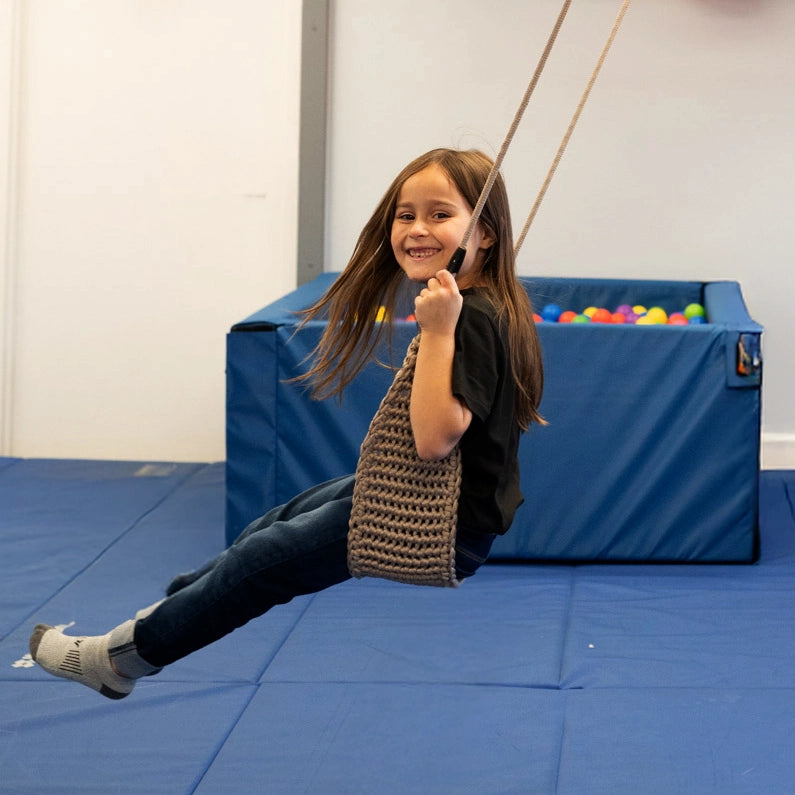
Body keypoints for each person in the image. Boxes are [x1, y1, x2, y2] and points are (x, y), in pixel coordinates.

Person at [29, 148, 545, 699]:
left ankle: (120, 661)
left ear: (484, 233)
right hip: (433, 500)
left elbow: (433, 439)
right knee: (275, 525)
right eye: (405, 214)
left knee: (262, 562)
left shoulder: (471, 318)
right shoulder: (478, 302)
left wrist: (440, 330)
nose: (417, 229)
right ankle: (175, 611)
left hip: (441, 522)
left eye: (440, 215)